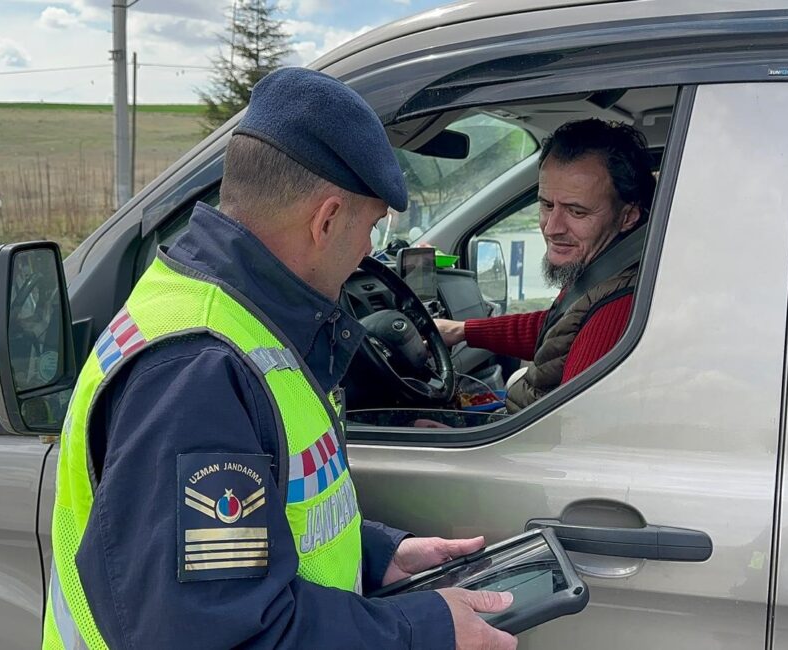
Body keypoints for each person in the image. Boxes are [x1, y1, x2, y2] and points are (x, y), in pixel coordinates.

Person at [41, 68, 516, 650]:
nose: (368, 250)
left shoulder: (213, 309)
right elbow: (214, 633)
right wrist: (424, 628)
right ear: (326, 219)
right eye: (369, 227)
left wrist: (380, 556)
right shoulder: (198, 371)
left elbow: (246, 535)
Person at [435, 119, 656, 412]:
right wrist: (463, 330)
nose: (552, 228)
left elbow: (568, 434)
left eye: (576, 211)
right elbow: (561, 329)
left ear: (628, 216)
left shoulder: (620, 307)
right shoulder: (602, 274)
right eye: (546, 205)